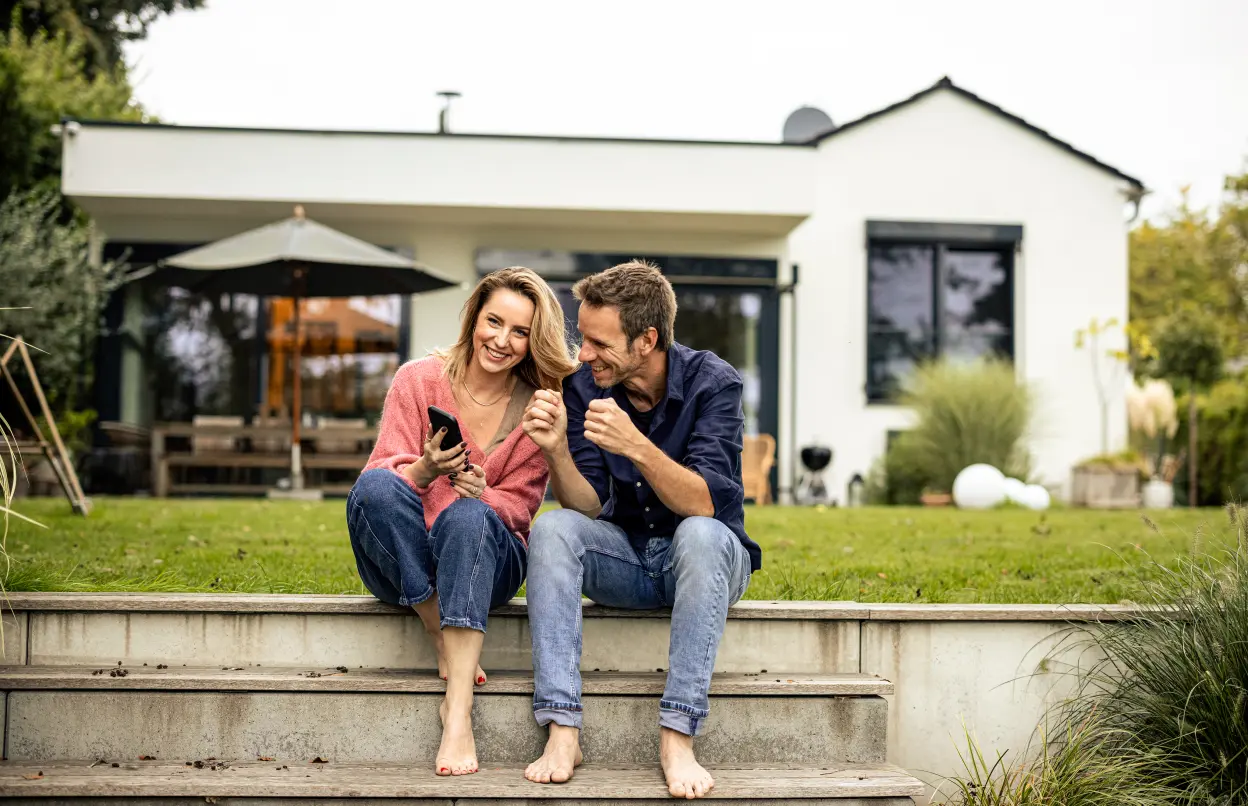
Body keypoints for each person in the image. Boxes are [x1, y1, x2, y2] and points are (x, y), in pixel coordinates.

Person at [520, 260, 762, 799]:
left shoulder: (713, 383)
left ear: (647, 339)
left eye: (599, 343)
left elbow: (705, 503)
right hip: (626, 556)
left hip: (704, 562)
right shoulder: (584, 387)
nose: (584, 355)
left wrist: (635, 445)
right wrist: (558, 449)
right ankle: (563, 727)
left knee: (697, 534)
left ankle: (677, 733)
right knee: (553, 529)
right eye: (583, 338)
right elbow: (588, 505)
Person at [346, 266, 577, 777]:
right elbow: (380, 479)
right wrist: (426, 469)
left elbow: (522, 508)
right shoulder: (418, 379)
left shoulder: (539, 407)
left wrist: (485, 495)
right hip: (405, 556)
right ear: (474, 317)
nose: (502, 341)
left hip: (484, 561)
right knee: (376, 487)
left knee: (471, 515)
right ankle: (438, 629)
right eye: (494, 322)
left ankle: (458, 715)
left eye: (520, 332)